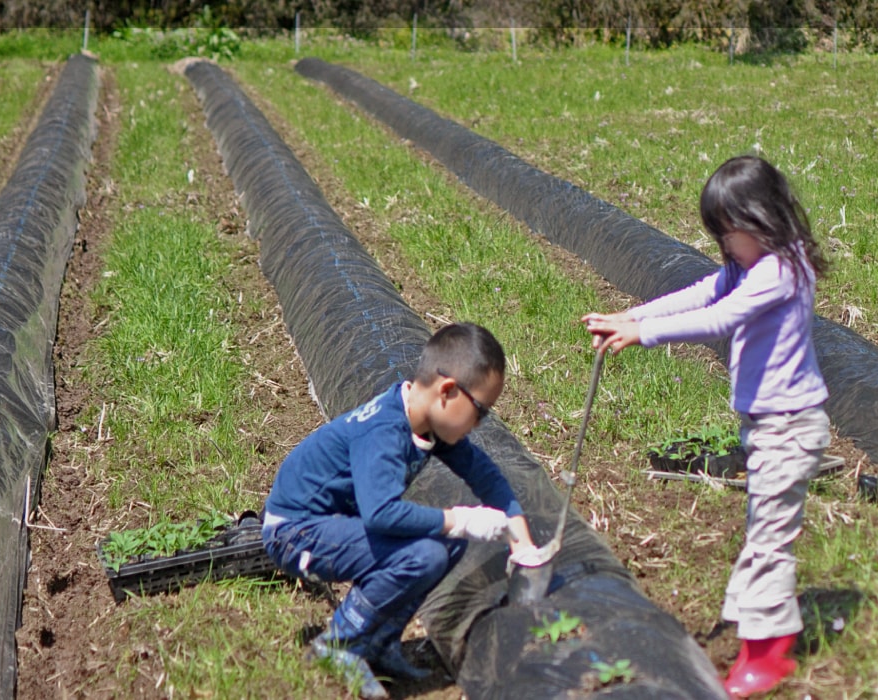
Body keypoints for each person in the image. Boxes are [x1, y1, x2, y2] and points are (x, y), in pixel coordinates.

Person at [582, 155, 830, 697]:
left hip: (791, 427)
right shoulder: (752, 264)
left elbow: (720, 317)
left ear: (761, 219)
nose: (724, 245)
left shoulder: (781, 270)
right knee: (762, 533)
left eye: (727, 232)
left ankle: (768, 659)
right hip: (767, 427)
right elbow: (703, 292)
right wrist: (634, 315)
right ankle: (761, 639)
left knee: (769, 540)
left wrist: (645, 335)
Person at [260, 322, 541, 699]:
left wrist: (521, 542)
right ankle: (341, 643)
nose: (479, 424)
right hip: (295, 530)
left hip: (334, 524)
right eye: (481, 411)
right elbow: (380, 514)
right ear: (448, 391)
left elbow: (487, 477)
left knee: (449, 545)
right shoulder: (384, 432)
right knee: (427, 552)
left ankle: (379, 642)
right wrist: (460, 519)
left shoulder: (427, 424)